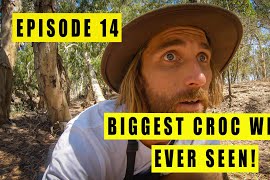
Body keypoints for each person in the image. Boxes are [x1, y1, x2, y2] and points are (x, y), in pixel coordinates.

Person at [43, 4, 242, 180]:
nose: (200, 79)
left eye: (202, 57)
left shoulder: (200, 135)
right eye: (170, 56)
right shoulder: (89, 138)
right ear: (137, 77)